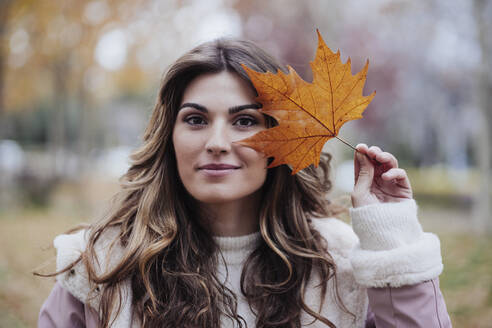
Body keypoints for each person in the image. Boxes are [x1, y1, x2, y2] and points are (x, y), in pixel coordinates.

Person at [38, 38, 452, 328]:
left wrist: (390, 236)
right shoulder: (101, 267)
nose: (218, 143)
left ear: (284, 139)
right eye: (196, 120)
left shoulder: (342, 267)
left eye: (245, 121)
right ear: (170, 138)